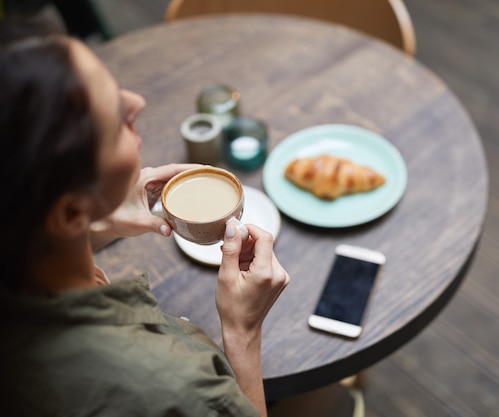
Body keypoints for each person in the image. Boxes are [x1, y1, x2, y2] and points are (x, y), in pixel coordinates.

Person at [0, 18, 289, 417]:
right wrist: (244, 334)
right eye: (116, 118)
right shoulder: (173, 388)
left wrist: (91, 227)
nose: (137, 101)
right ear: (67, 210)